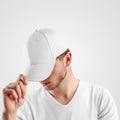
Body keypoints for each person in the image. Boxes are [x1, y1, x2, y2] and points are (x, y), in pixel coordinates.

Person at [2, 29, 119, 120]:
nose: (41, 78)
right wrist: (9, 113)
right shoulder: (27, 105)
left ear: (67, 59)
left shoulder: (99, 98)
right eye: (37, 70)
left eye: (46, 68)